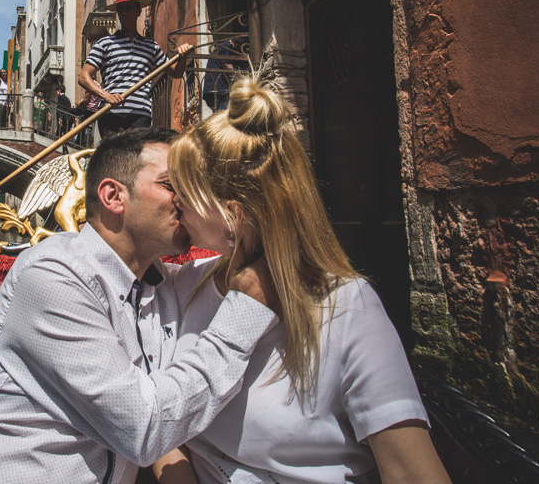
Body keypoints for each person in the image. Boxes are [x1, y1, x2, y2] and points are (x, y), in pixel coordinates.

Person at [0, 128, 279, 484]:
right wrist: (241, 320)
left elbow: (268, 253)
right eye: (171, 185)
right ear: (113, 197)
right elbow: (142, 430)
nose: (184, 199)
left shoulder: (164, 286)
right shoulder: (53, 274)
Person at [153, 76, 451, 484]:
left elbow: (413, 472)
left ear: (232, 216)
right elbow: (155, 415)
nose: (176, 203)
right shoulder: (185, 285)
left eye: (184, 192)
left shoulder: (348, 308)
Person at [79, 0, 192, 139]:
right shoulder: (104, 44)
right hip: (111, 113)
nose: (125, 13)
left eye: (129, 8)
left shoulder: (151, 46)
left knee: (137, 160)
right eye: (121, 9)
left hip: (140, 114)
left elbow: (176, 73)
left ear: (138, 11)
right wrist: (106, 96)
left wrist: (182, 56)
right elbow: (83, 77)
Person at [201, 36, 243, 112]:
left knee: (219, 114)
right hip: (219, 91)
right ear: (235, 43)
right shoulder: (227, 48)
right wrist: (235, 72)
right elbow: (227, 66)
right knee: (224, 115)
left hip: (211, 91)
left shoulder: (222, 47)